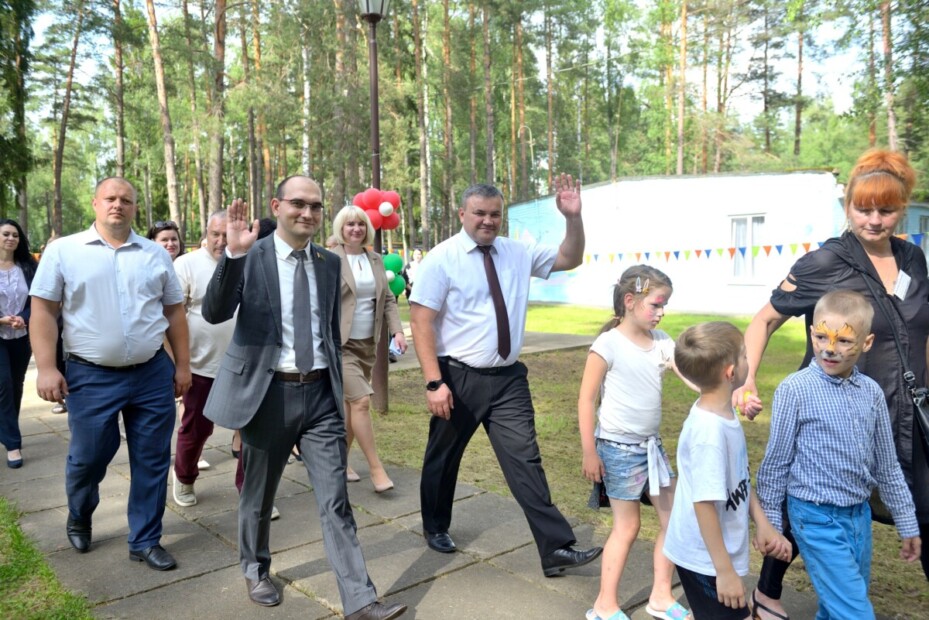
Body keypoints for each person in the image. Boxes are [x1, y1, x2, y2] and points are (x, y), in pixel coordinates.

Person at [201, 176, 407, 620]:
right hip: (268, 396)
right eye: (298, 204)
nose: (308, 213)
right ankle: (255, 569)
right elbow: (214, 311)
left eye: (315, 206)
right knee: (258, 495)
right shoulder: (250, 255)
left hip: (320, 398)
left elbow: (329, 330)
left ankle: (360, 601)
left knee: (335, 500)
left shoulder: (329, 263)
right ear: (277, 206)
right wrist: (232, 255)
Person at [736, 149, 929, 619]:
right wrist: (747, 380)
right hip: (835, 406)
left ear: (902, 209)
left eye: (886, 210)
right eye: (864, 209)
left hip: (907, 412)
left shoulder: (914, 258)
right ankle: (767, 592)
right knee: (813, 499)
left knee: (919, 508)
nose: (874, 220)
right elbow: (764, 320)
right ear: (848, 207)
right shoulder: (825, 261)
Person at [409, 176, 602, 577]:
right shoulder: (441, 259)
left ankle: (555, 547)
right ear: (462, 214)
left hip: (508, 379)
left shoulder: (518, 252)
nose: (488, 220)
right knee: (444, 458)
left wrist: (573, 218)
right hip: (457, 378)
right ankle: (435, 526)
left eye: (495, 214)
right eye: (479, 213)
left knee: (524, 459)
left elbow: (570, 257)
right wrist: (434, 382)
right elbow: (421, 321)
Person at [29, 177, 191, 571]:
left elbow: (174, 313)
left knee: (152, 459)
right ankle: (80, 513)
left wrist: (183, 366)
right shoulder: (64, 251)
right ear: (95, 203)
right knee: (88, 457)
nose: (118, 205)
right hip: (90, 376)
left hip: (152, 373)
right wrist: (47, 368)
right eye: (110, 198)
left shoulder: (155, 254)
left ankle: (145, 539)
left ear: (135, 208)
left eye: (126, 200)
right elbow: (43, 310)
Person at [756, 290, 921, 619]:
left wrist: (907, 523)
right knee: (854, 611)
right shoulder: (795, 389)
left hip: (858, 517)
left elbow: (887, 467)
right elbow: (775, 464)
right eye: (821, 337)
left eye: (844, 340)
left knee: (839, 606)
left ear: (867, 342)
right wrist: (771, 525)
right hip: (814, 516)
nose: (829, 348)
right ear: (811, 333)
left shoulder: (871, 393)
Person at [578, 265, 697, 620]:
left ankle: (660, 596)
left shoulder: (661, 341)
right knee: (628, 527)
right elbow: (586, 400)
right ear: (630, 301)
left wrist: (721, 389)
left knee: (674, 520)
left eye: (664, 305)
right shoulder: (608, 344)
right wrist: (589, 452)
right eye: (656, 304)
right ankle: (604, 606)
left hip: (651, 448)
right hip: (617, 451)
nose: (662, 312)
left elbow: (690, 374)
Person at [663, 322, 790, 620]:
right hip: (704, 559)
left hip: (715, 555)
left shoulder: (724, 412)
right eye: (745, 355)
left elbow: (739, 477)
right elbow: (704, 504)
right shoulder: (709, 435)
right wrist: (725, 571)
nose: (749, 359)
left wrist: (763, 523)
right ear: (731, 372)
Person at [330, 205, 407, 492]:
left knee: (351, 407)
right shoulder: (330, 260)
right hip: (340, 345)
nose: (356, 229)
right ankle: (376, 469)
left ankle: (339, 463)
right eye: (350, 224)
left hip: (368, 344)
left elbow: (387, 300)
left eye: (360, 224)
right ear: (341, 229)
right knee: (361, 402)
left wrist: (397, 331)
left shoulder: (375, 259)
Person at [170, 210, 236, 507]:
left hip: (242, 365)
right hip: (201, 365)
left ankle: (251, 490)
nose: (221, 241)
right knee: (197, 428)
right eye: (215, 234)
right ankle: (184, 477)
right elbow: (172, 316)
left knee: (253, 432)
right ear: (206, 234)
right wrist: (178, 363)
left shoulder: (248, 261)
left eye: (227, 235)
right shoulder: (186, 264)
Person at [0, 219, 38, 468]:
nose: (11, 238)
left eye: (15, 235)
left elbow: (38, 299)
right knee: (3, 384)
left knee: (15, 385)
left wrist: (23, 318)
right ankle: (13, 444)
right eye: (5, 234)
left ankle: (7, 428)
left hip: (21, 336)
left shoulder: (28, 266)